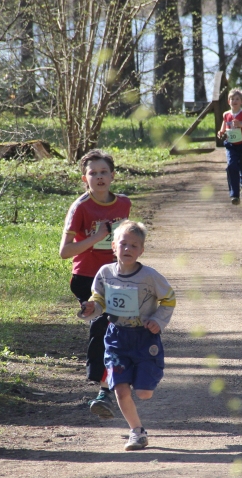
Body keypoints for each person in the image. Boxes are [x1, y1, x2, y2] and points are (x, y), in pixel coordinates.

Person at [79, 221, 176, 451]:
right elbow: (99, 300)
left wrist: (158, 321)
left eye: (134, 245)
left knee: (144, 393)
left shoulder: (150, 276)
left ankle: (144, 373)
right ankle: (137, 432)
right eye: (123, 244)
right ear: (114, 246)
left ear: (141, 250)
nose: (128, 249)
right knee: (121, 390)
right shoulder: (105, 273)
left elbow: (169, 299)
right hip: (116, 338)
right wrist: (92, 308)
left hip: (145, 338)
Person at [59, 149, 131, 419]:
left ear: (112, 176)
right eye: (93, 173)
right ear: (84, 179)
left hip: (117, 275)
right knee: (104, 324)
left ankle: (106, 389)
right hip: (87, 278)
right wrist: (97, 236)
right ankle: (102, 386)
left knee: (118, 327)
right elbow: (64, 251)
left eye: (104, 172)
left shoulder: (123, 204)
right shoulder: (80, 207)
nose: (99, 177)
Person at [216, 88, 242, 205]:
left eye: (237, 99)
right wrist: (220, 133)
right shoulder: (226, 115)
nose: (234, 101)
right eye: (232, 99)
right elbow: (223, 129)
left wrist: (241, 125)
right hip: (231, 146)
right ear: (228, 101)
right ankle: (234, 195)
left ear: (241, 102)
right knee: (231, 166)